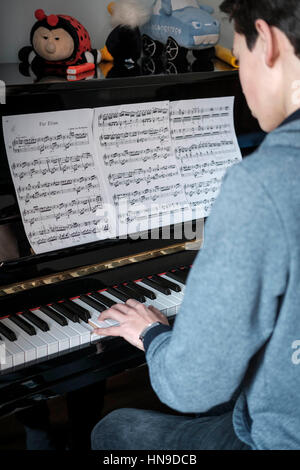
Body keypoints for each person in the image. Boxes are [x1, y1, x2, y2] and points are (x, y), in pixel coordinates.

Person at [90, 0, 300, 450]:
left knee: (113, 430)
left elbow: (192, 387)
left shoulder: (263, 182)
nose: (243, 81)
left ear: (270, 43)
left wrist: (152, 333)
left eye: (240, 57)